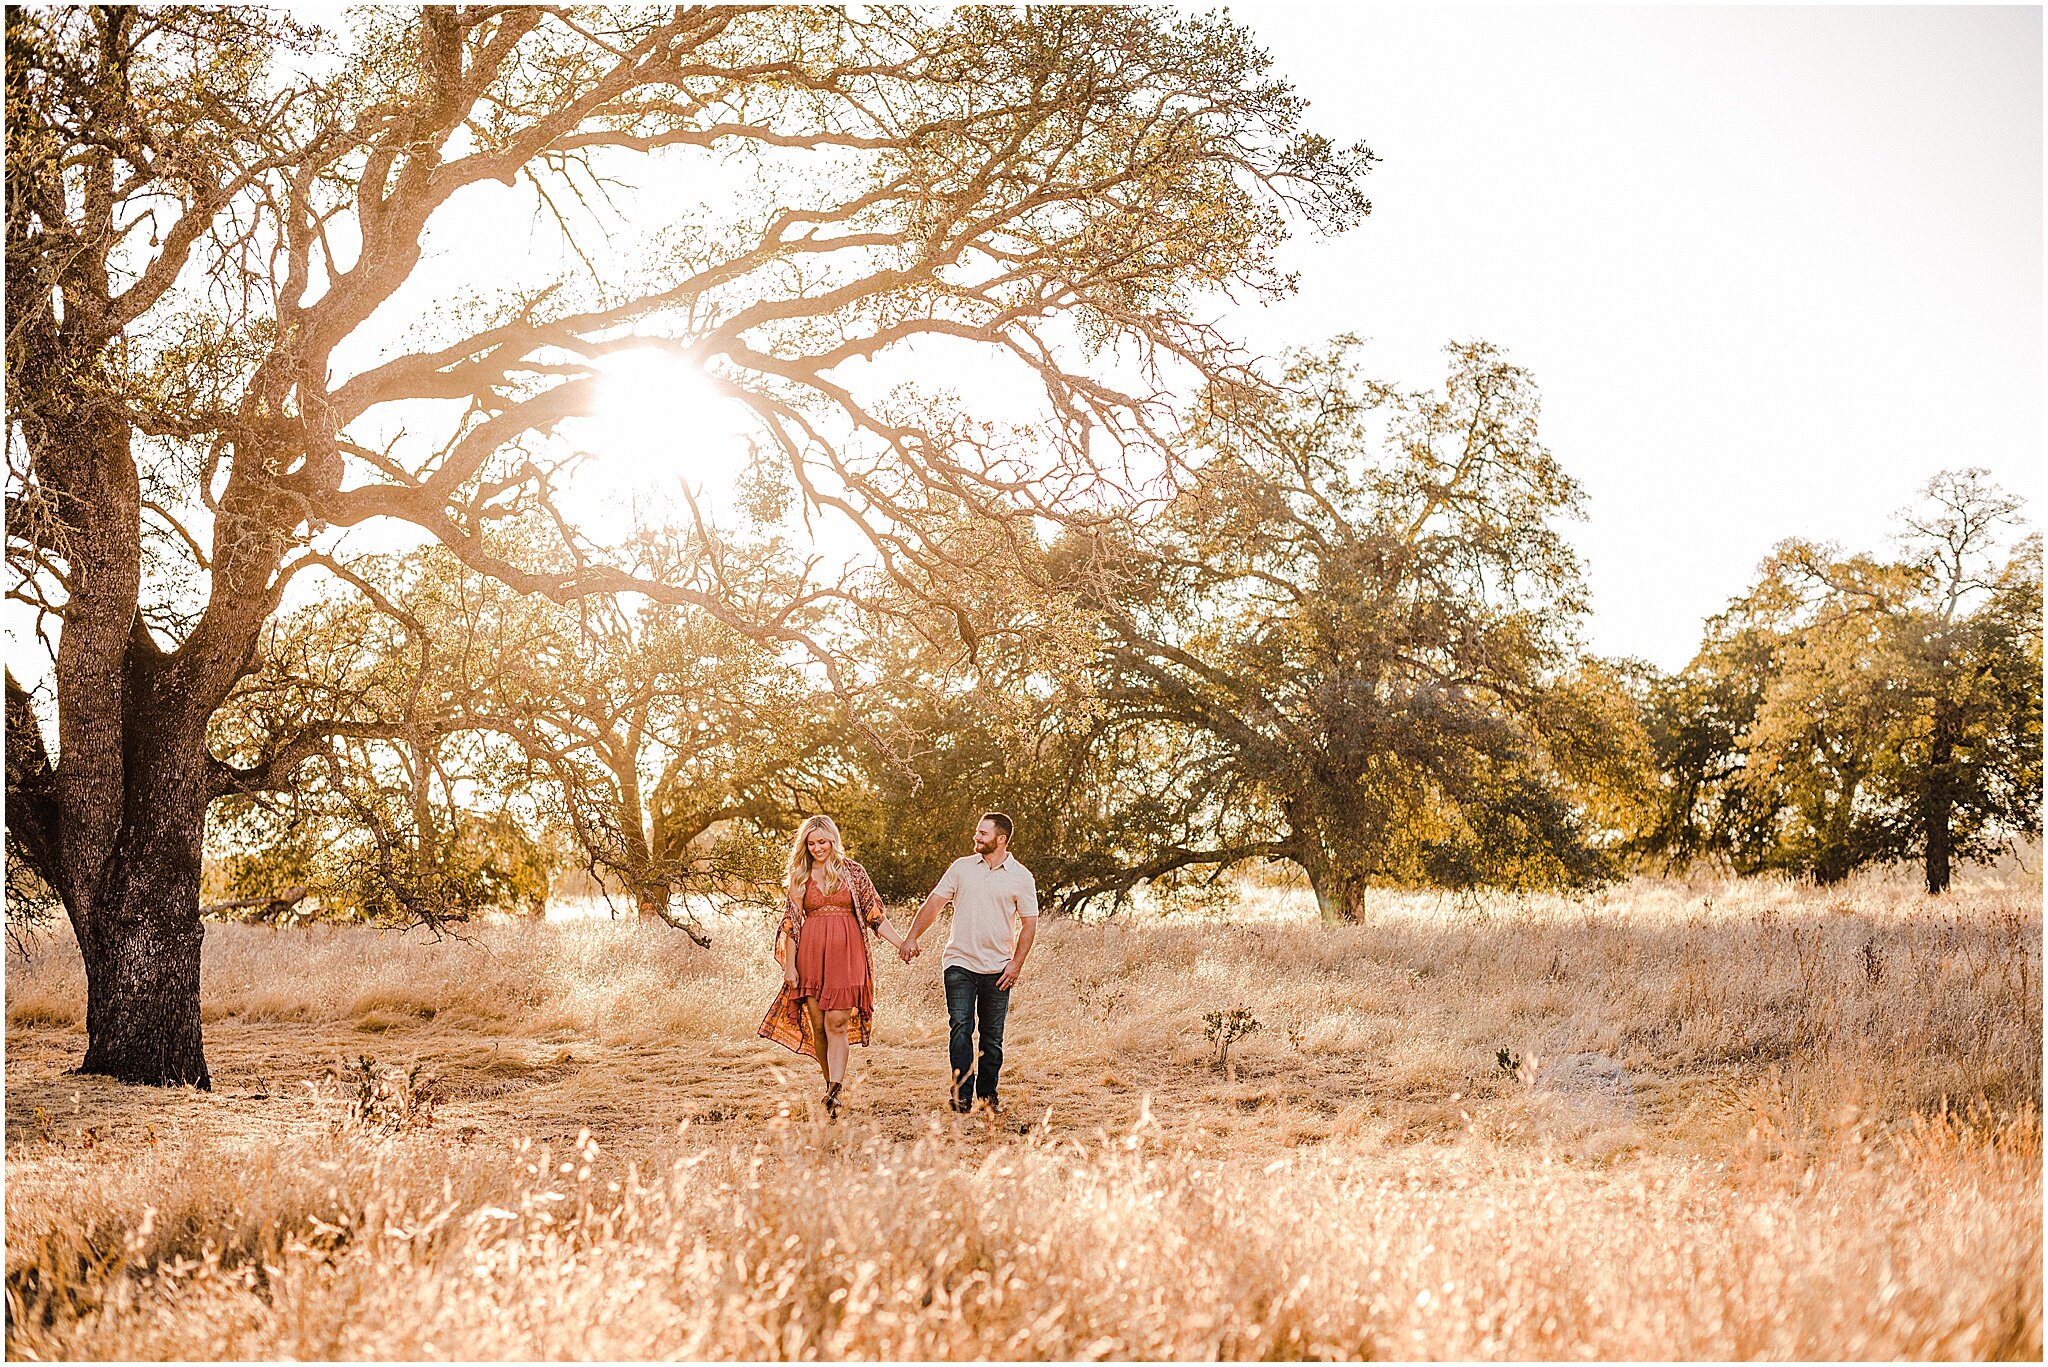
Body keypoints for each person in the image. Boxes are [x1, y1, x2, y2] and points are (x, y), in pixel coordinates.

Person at [757, 815, 912, 1117]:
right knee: (818, 1027)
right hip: (811, 955)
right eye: (811, 843)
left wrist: (901, 943)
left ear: (833, 840)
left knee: (836, 1022)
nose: (817, 848)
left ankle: (836, 1089)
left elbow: (874, 913)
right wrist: (790, 967)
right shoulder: (800, 874)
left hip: (847, 953)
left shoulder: (853, 872)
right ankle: (831, 1087)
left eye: (822, 842)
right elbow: (791, 923)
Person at [902, 811, 1038, 1114]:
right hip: (959, 962)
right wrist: (911, 937)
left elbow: (1029, 924)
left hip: (999, 968)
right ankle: (961, 1096)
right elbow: (934, 904)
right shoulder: (962, 868)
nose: (976, 837)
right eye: (977, 832)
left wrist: (1016, 965)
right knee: (960, 1027)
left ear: (1000, 839)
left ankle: (988, 1098)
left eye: (983, 834)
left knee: (992, 1037)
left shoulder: (1021, 876)